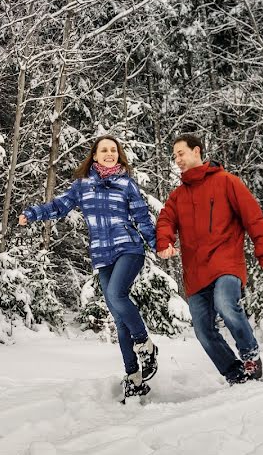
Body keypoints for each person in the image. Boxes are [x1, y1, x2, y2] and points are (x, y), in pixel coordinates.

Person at [19, 135, 159, 399]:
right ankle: (133, 376)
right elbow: (60, 206)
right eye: (103, 150)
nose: (109, 154)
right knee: (117, 314)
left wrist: (157, 243)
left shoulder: (126, 184)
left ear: (119, 156)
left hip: (129, 248)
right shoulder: (82, 186)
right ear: (94, 156)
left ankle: (145, 343)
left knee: (117, 296)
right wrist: (33, 213)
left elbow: (142, 217)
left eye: (113, 150)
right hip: (102, 256)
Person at [156, 133, 263, 384]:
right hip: (195, 272)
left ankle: (250, 354)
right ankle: (233, 372)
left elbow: (252, 217)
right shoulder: (178, 196)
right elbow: (166, 219)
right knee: (202, 330)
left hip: (226, 262)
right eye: (174, 155)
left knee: (225, 303)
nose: (177, 159)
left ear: (197, 151)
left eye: (181, 153)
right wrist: (165, 241)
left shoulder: (226, 182)